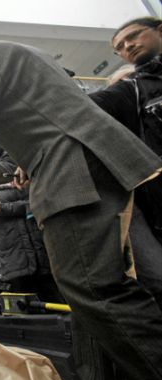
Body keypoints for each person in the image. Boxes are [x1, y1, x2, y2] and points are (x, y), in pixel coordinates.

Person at [0, 27, 162, 380]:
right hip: (79, 163)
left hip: (72, 172)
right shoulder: (15, 54)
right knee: (86, 292)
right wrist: (24, 163)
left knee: (96, 288)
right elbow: (45, 116)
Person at [89, 17, 162, 313]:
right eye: (119, 46)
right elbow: (82, 108)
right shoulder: (133, 89)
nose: (127, 46)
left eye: (133, 36)